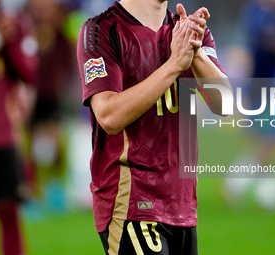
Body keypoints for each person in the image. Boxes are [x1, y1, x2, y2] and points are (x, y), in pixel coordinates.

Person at [76, 0, 230, 254]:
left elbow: (224, 104)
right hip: (131, 203)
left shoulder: (188, 31)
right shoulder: (101, 30)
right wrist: (173, 65)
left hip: (181, 205)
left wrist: (196, 51)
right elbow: (109, 115)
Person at [0, 0, 38, 254]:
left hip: (0, 135)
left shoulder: (11, 25)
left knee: (8, 211)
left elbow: (28, 73)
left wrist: (7, 41)